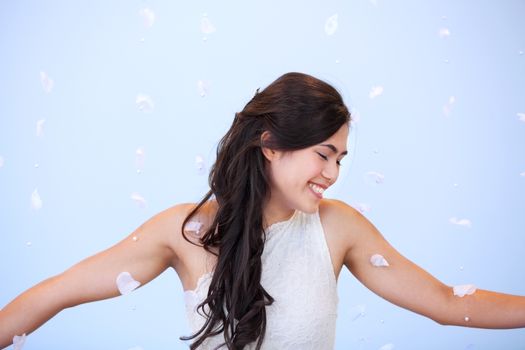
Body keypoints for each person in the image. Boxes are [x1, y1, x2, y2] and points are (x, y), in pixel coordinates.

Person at [0, 72, 524, 350]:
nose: (333, 173)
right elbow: (54, 294)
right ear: (270, 143)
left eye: (340, 158)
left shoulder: (338, 228)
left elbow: (445, 303)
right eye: (323, 153)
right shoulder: (187, 230)